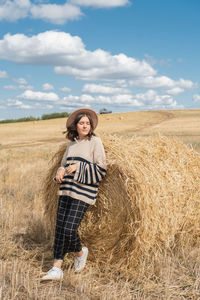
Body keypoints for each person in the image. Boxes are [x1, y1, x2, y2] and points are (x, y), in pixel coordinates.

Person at [41, 108, 107, 281]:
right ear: (75, 126)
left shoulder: (95, 142)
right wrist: (60, 171)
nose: (84, 126)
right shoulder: (71, 144)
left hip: (83, 192)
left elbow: (101, 169)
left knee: (70, 229)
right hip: (66, 190)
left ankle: (80, 252)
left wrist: (79, 167)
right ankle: (56, 268)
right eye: (81, 123)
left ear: (91, 126)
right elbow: (63, 164)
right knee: (60, 228)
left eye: (87, 123)